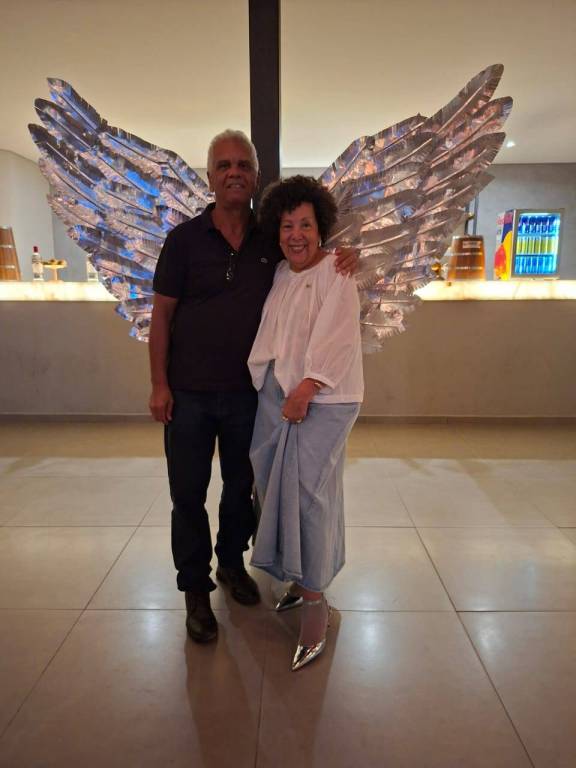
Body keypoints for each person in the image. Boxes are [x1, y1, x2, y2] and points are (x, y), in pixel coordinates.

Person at [149, 132, 357, 644]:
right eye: (223, 165)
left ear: (256, 175)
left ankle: (231, 565)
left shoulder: (270, 238)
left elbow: (313, 255)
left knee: (242, 488)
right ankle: (195, 590)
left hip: (249, 394)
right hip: (189, 393)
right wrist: (159, 384)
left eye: (243, 164)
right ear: (210, 176)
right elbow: (162, 315)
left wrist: (350, 255)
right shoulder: (183, 241)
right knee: (187, 494)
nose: (234, 172)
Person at [248, 176, 364, 671]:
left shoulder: (337, 271)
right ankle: (300, 578)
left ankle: (316, 606)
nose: (296, 235)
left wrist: (307, 387)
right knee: (274, 488)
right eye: (287, 226)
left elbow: (338, 337)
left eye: (306, 225)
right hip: (278, 395)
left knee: (310, 497)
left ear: (322, 229)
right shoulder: (280, 272)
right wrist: (281, 391)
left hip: (324, 397)